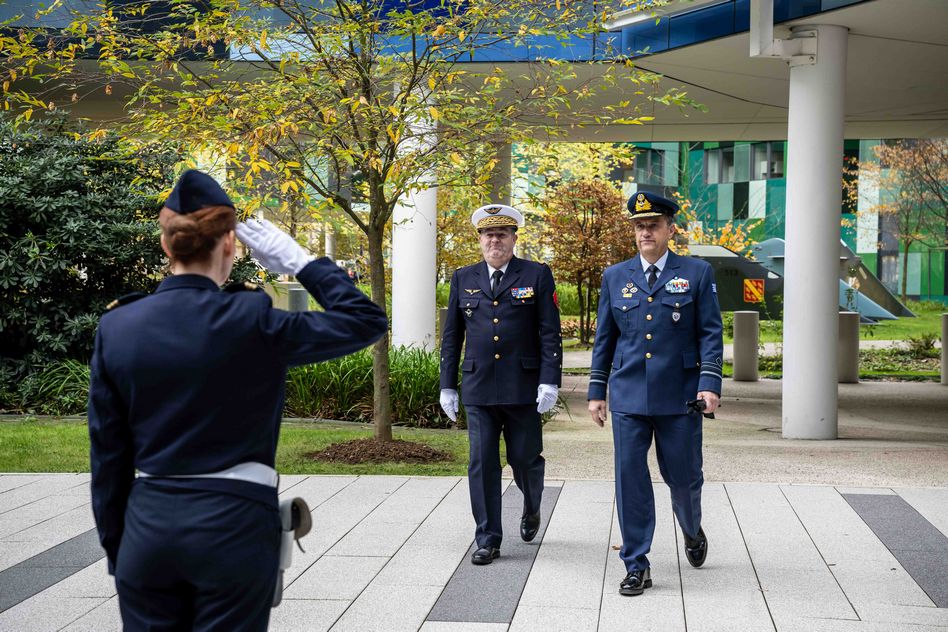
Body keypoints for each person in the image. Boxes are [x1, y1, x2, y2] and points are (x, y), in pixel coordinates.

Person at [88, 169, 387, 631]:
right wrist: (302, 262)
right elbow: (364, 320)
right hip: (234, 524)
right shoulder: (252, 320)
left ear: (167, 245)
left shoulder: (119, 326)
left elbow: (108, 456)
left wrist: (119, 549)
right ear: (230, 244)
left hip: (148, 529)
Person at [587, 191, 723, 596]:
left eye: (653, 225)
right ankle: (636, 563)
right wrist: (598, 390)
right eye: (639, 226)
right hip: (628, 394)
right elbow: (604, 339)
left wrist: (709, 382)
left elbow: (710, 333)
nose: (645, 232)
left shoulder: (696, 273)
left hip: (679, 396)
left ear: (669, 229)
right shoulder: (615, 276)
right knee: (630, 480)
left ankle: (692, 529)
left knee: (683, 479)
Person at [439, 204, 562, 565]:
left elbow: (549, 332)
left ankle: (532, 502)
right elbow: (452, 336)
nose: (495, 240)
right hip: (478, 386)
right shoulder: (463, 278)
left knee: (524, 458)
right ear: (480, 240)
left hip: (523, 387)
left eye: (502, 234)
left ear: (513, 239)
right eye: (488, 234)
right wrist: (448, 385)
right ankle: (488, 538)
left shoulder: (537, 274)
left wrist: (549, 381)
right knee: (482, 462)